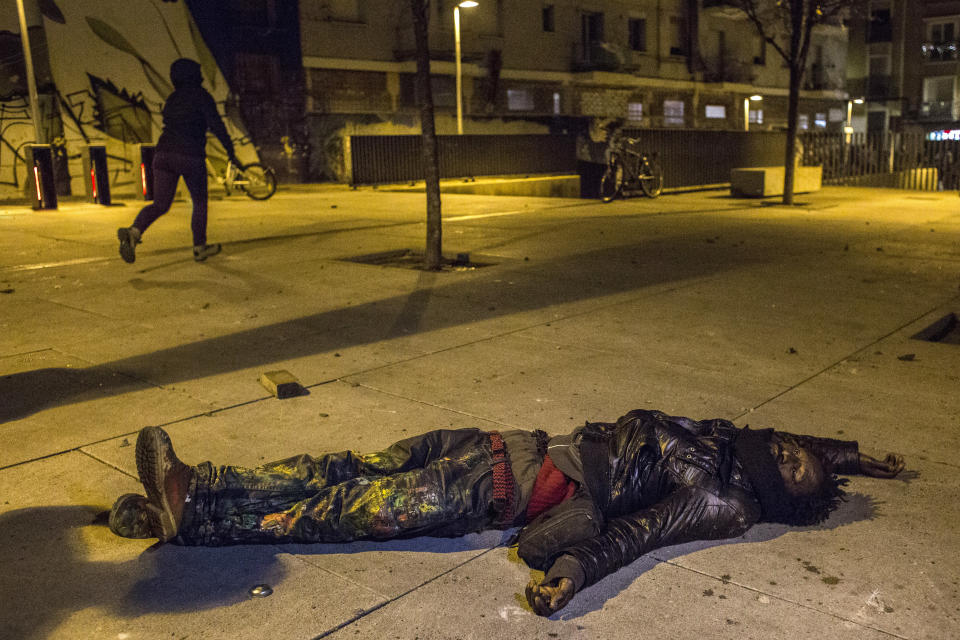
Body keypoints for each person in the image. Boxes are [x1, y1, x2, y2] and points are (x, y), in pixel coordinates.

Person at [109, 409, 905, 616]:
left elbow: (635, 534)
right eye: (799, 451)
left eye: (798, 470)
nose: (795, 457)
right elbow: (813, 453)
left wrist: (571, 574)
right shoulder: (731, 442)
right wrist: (857, 456)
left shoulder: (721, 497)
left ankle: (196, 515)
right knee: (341, 466)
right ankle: (196, 488)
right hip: (504, 444)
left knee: (343, 509)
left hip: (506, 492)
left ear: (780, 499)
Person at [117, 58, 238, 264]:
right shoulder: (201, 96)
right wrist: (230, 151)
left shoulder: (173, 98)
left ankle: (134, 232)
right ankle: (200, 247)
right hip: (190, 154)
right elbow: (216, 125)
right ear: (193, 75)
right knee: (199, 202)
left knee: (160, 204)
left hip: (163, 154)